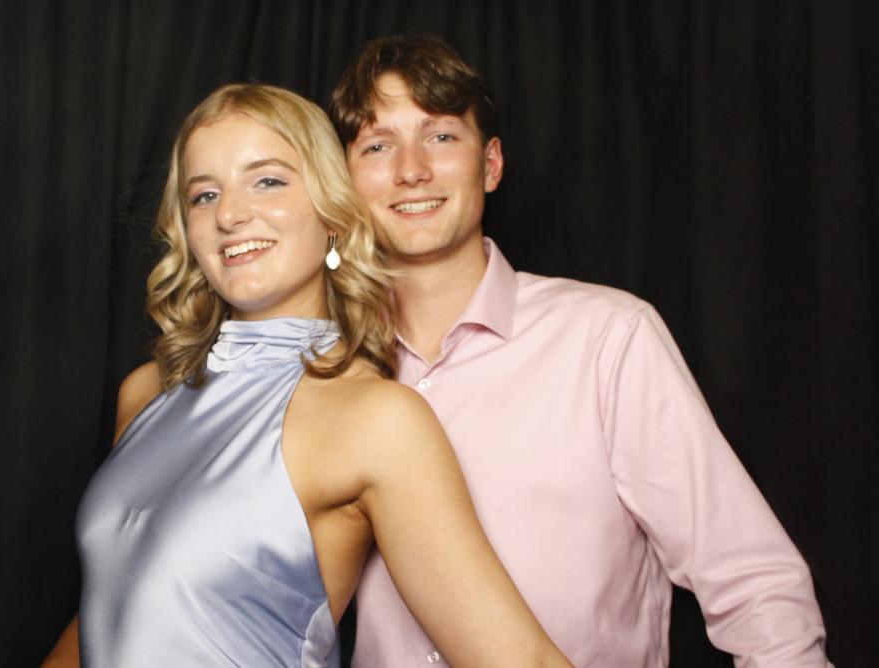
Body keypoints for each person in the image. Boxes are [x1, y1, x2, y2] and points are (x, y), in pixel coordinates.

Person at [330, 34, 832, 666]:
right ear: (344, 179)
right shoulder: (327, 369)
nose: (411, 169)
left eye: (441, 136)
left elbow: (753, 584)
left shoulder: (608, 340)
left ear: (491, 164)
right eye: (378, 145)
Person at [42, 83, 571, 667]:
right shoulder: (145, 393)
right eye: (204, 194)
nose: (229, 215)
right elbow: (114, 610)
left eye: (267, 181)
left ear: (332, 215)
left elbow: (523, 659)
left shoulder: (377, 418)